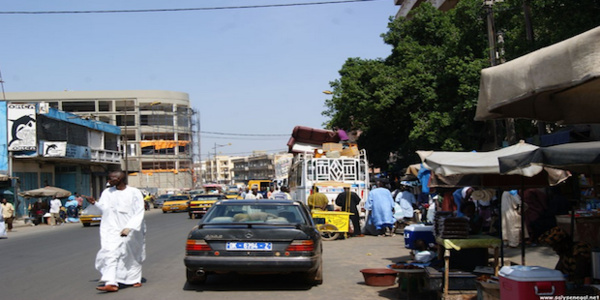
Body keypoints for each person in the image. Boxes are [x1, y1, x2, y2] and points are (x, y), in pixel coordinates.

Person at [84, 170, 146, 292]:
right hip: (111, 228)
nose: (109, 180)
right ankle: (111, 282)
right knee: (110, 252)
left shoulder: (134, 192)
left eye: (111, 178)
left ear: (120, 179)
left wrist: (129, 227)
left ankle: (134, 279)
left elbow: (139, 211)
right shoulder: (107, 192)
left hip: (130, 229)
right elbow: (104, 209)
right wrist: (94, 203)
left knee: (130, 254)